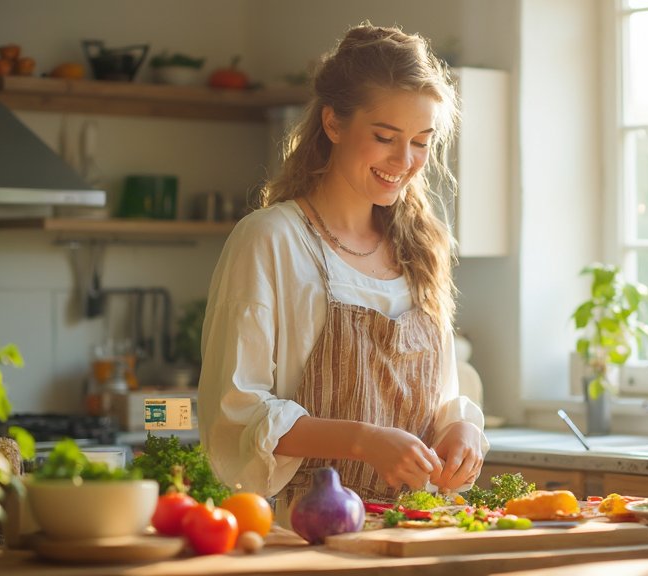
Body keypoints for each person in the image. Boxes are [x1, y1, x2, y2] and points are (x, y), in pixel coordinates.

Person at [197, 23, 489, 517]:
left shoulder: (423, 246)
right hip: (301, 533)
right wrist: (363, 441)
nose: (406, 160)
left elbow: (441, 395)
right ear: (333, 124)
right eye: (385, 137)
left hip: (412, 528)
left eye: (422, 141)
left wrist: (459, 429)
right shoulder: (270, 240)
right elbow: (235, 412)